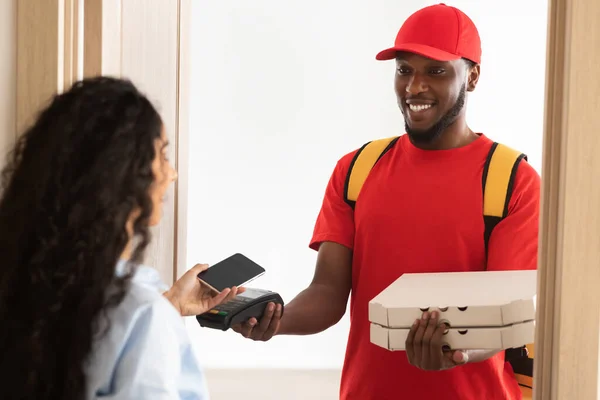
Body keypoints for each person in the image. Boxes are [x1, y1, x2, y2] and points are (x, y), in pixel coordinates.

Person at [232, 4, 540, 400]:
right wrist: (275, 319)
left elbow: (506, 318)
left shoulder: (512, 180)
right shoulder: (356, 170)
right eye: (404, 69)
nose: (414, 87)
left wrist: (456, 353)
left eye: (436, 70)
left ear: (472, 76)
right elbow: (327, 293)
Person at [0, 77, 243, 400]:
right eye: (163, 155)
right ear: (127, 174)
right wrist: (155, 316)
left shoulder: (19, 285)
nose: (171, 173)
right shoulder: (141, 316)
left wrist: (168, 305)